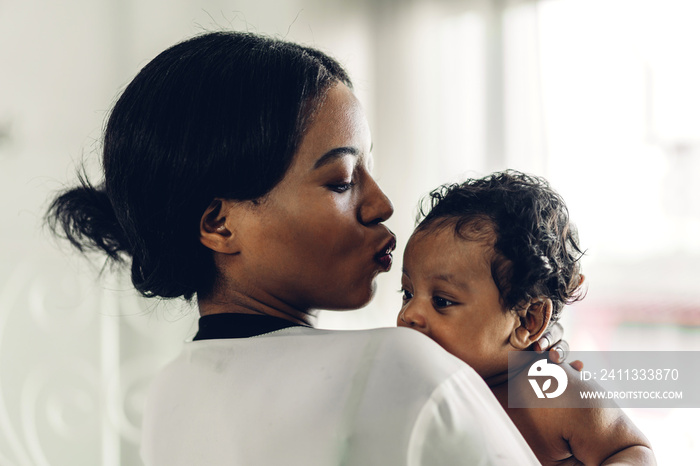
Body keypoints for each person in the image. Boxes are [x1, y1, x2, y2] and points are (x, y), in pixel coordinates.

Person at [46, 31, 561, 465]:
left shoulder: (170, 394)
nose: (380, 203)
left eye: (368, 170)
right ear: (221, 225)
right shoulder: (401, 364)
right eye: (341, 180)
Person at [397, 171, 656, 465]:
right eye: (407, 293)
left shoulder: (547, 392)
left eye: (442, 301)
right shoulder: (410, 381)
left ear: (527, 321)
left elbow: (631, 451)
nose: (410, 314)